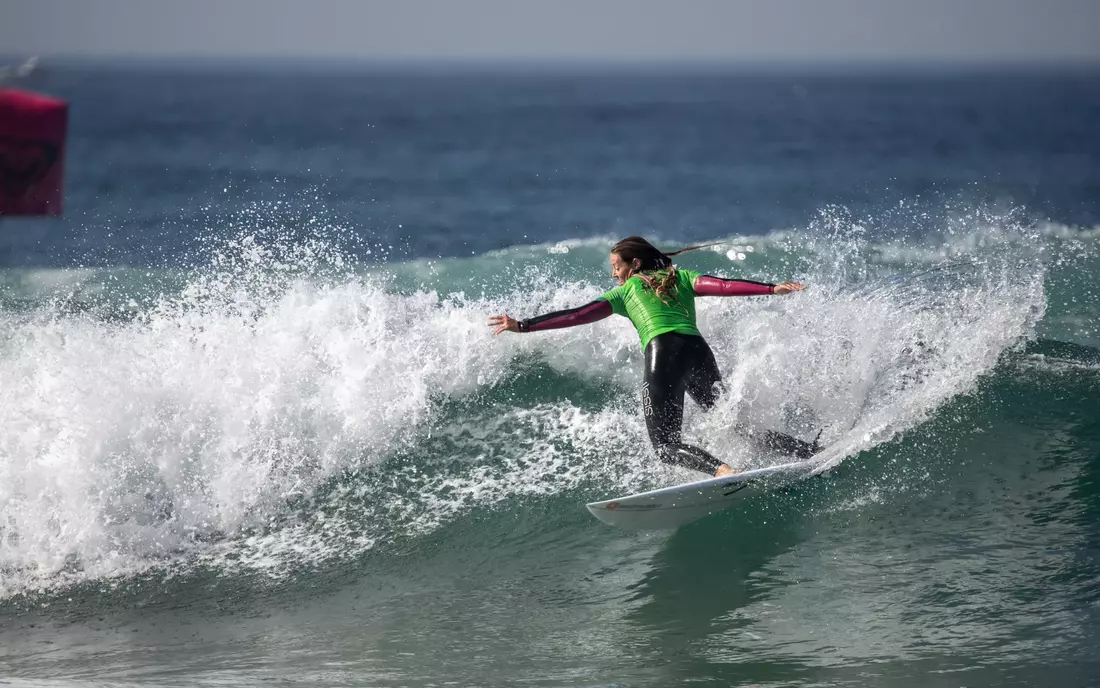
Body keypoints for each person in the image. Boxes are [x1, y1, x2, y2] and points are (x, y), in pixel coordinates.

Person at [488, 236, 814, 478]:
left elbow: (578, 315)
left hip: (663, 354)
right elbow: (725, 286)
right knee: (738, 427)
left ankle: (722, 471)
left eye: (617, 267)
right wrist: (772, 289)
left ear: (635, 265)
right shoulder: (681, 278)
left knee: (665, 447)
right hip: (698, 351)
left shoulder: (625, 292)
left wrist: (524, 325)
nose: (614, 275)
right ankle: (808, 452)